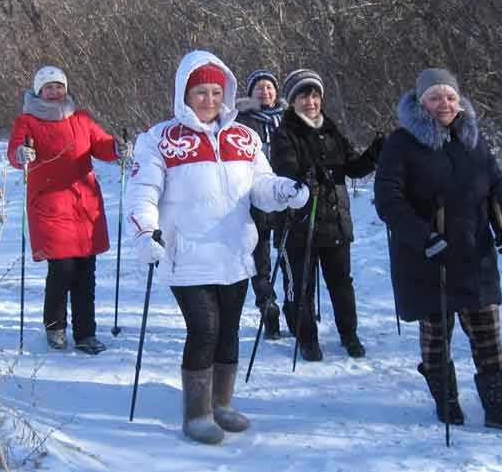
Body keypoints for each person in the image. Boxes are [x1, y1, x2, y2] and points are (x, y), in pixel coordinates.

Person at [126, 50, 309, 444]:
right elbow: (143, 191)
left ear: (225, 93)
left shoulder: (244, 137)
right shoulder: (161, 139)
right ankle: (197, 412)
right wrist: (145, 231)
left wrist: (283, 191)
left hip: (234, 253)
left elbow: (261, 184)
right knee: (204, 329)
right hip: (186, 253)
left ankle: (222, 404)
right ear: (184, 95)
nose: (209, 100)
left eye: (215, 91)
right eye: (200, 92)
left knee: (228, 330)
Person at [373, 67, 502, 432]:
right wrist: (421, 236)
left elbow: (496, 188)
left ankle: (497, 407)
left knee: (486, 330)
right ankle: (446, 400)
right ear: (421, 102)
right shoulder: (402, 143)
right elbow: (388, 198)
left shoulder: (473, 139)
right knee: (436, 332)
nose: (443, 103)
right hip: (427, 254)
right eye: (434, 97)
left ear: (458, 100)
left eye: (449, 96)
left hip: (473, 250)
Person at [7, 65, 131, 355]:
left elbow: (100, 144)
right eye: (48, 87)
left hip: (83, 205)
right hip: (49, 203)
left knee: (86, 271)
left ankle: (86, 333)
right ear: (39, 91)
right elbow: (15, 150)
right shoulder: (27, 121)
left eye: (58, 86)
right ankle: (55, 326)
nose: (54, 92)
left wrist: (117, 148)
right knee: (61, 269)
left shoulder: (82, 119)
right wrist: (20, 154)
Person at [270, 69, 382, 362]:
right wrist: (306, 176)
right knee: (303, 285)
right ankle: (307, 339)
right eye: (304, 96)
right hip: (300, 224)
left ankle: (349, 334)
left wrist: (374, 154)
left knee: (341, 283)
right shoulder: (284, 134)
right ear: (293, 101)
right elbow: (284, 172)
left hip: (334, 220)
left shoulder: (331, 129)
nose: (311, 101)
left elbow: (352, 167)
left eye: (315, 95)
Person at [235, 69, 288, 340]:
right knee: (261, 260)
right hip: (255, 201)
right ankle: (268, 307)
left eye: (269, 87)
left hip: (287, 199)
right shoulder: (241, 122)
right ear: (251, 92)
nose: (265, 92)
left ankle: (295, 308)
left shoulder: (289, 119)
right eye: (259, 88)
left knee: (290, 257)